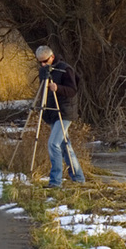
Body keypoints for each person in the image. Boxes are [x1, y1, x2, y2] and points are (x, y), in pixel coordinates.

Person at [35, 45, 86, 188]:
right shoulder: (43, 71)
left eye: (45, 61)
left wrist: (58, 88)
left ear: (51, 57)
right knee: (65, 146)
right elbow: (43, 91)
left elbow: (73, 90)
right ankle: (78, 178)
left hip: (64, 111)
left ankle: (55, 182)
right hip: (51, 111)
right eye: (40, 62)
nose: (43, 64)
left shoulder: (65, 69)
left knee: (53, 144)